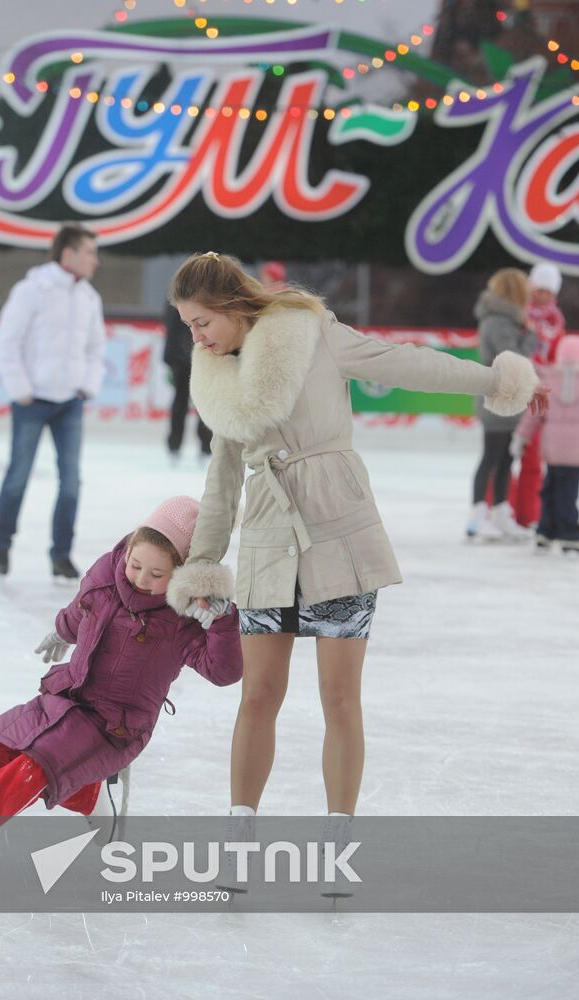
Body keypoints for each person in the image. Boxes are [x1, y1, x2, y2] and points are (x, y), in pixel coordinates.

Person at [164, 251, 547, 863]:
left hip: (337, 531)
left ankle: (336, 847)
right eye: (187, 325)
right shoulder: (218, 377)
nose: (196, 336)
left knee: (339, 698)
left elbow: (407, 364)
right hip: (267, 541)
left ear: (233, 308)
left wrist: (494, 382)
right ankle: (238, 841)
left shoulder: (312, 332)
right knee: (258, 695)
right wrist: (204, 563)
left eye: (200, 322)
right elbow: (222, 479)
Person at [0, 496, 243, 878]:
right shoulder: (107, 573)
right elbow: (82, 607)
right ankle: (93, 797)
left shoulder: (182, 620)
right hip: (67, 696)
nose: (141, 578)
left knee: (35, 767)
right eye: (136, 565)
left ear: (180, 575)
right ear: (128, 550)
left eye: (156, 574)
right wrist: (61, 630)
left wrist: (224, 620)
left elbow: (223, 671)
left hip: (113, 724)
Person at [0, 224, 107, 579]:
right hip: (31, 401)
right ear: (67, 253)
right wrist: (20, 388)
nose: (95, 261)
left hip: (69, 402)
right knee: (18, 476)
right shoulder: (31, 290)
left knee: (71, 481)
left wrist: (86, 386)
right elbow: (7, 342)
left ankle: (61, 554)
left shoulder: (89, 298)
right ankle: (1, 541)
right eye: (90, 253)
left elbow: (96, 348)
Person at [466, 268, 537, 542]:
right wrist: (530, 335)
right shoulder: (498, 321)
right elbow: (515, 357)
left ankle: (499, 512)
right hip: (497, 398)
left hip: (508, 398)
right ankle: (477, 515)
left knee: (506, 458)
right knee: (492, 456)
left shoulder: (505, 320)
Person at [509, 262, 567, 527]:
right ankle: (500, 506)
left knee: (533, 457)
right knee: (504, 455)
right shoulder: (520, 314)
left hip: (540, 390)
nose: (542, 295)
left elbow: (557, 356)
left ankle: (528, 514)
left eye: (548, 291)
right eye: (539, 289)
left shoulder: (557, 319)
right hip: (515, 384)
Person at [512, 335, 579, 554]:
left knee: (550, 488)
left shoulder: (547, 379)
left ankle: (546, 530)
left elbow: (533, 415)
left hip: (552, 446)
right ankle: (568, 533)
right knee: (567, 491)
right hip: (575, 448)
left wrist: (520, 438)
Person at [163, 301, 212, 461]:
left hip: (201, 357)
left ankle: (206, 446)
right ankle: (175, 445)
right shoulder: (178, 295)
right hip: (182, 360)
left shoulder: (205, 294)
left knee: (204, 405)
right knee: (181, 403)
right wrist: (171, 359)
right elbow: (171, 325)